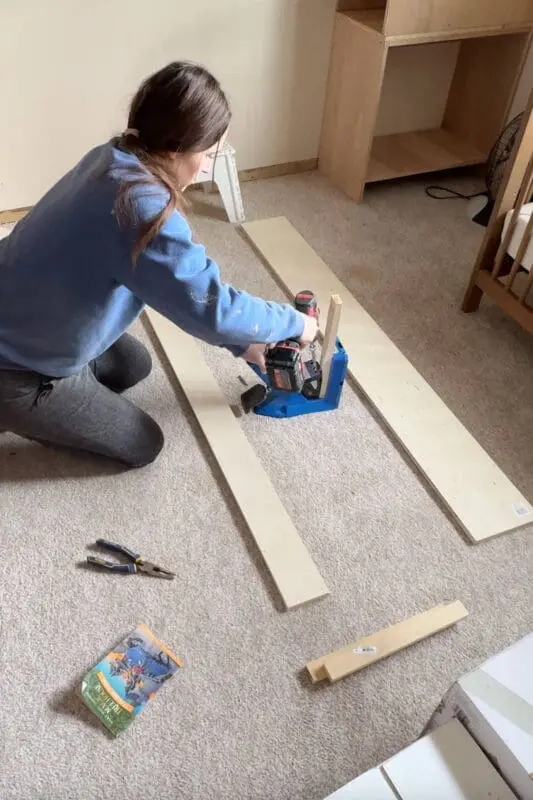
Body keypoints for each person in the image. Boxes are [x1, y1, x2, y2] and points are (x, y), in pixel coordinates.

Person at [0, 62, 317, 468]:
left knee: (134, 365)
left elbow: (177, 289)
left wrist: (243, 342)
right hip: (17, 367)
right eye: (206, 154)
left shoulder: (114, 154)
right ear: (174, 147)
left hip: (20, 310)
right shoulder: (142, 210)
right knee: (142, 442)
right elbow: (213, 309)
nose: (205, 167)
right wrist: (296, 323)